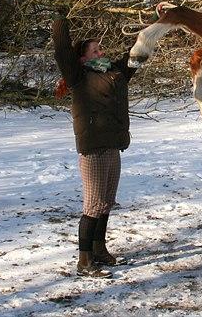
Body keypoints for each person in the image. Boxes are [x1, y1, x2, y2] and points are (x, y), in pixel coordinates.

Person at [52, 15, 138, 278]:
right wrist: (60, 19)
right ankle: (84, 261)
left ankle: (100, 250)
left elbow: (136, 55)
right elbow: (62, 49)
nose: (102, 52)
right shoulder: (78, 76)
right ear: (83, 58)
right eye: (96, 50)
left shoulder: (113, 74)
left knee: (105, 204)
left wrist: (154, 26)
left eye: (101, 48)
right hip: (93, 149)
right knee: (92, 206)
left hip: (112, 146)